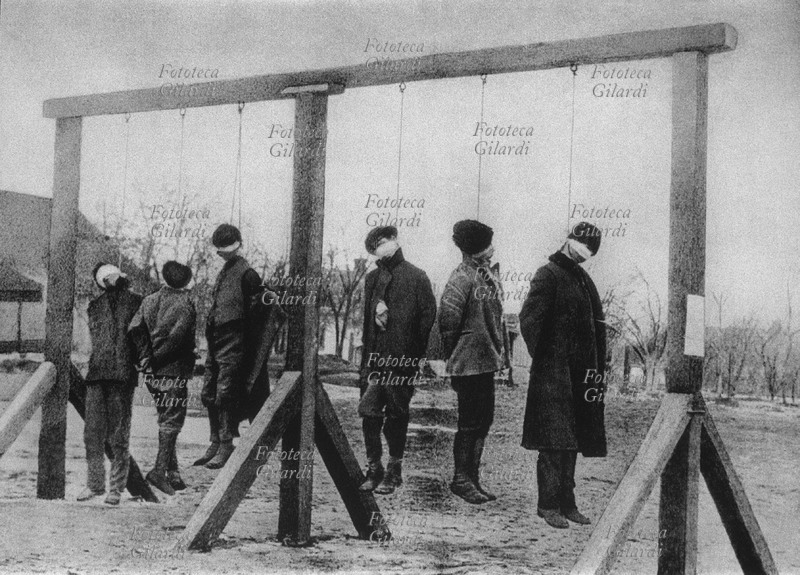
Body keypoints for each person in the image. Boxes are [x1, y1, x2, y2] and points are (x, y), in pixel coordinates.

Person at [519, 221, 607, 529]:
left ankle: (568, 504)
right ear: (569, 241)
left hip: (579, 375)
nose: (584, 257)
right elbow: (529, 321)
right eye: (582, 249)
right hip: (553, 376)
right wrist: (547, 361)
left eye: (589, 254)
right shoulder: (548, 274)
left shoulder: (583, 280)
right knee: (553, 442)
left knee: (572, 442)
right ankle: (548, 505)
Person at [358, 226, 436, 495]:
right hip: (375, 363)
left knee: (396, 416)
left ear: (394, 240)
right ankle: (373, 467)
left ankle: (394, 470)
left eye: (384, 241)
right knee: (368, 412)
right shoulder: (371, 279)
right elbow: (367, 325)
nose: (382, 247)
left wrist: (412, 357)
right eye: (375, 245)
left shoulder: (417, 277)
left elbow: (427, 321)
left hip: (401, 362)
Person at [438, 220, 508, 504]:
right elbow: (447, 322)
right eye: (487, 245)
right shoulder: (461, 278)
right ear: (475, 249)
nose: (492, 250)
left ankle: (473, 478)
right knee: (469, 423)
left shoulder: (484, 274)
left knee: (483, 421)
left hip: (485, 361)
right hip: (468, 364)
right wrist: (456, 357)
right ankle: (460, 480)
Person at [194, 224, 264, 469]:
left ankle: (226, 444)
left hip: (236, 343)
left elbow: (256, 318)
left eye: (224, 248)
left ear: (236, 245)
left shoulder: (249, 275)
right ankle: (214, 442)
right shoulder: (225, 271)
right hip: (216, 340)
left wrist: (245, 350)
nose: (220, 252)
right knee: (209, 392)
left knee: (226, 394)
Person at [128, 260, 196, 495]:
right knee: (172, 422)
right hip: (173, 371)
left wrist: (146, 358)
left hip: (152, 374)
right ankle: (158, 471)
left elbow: (134, 329)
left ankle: (173, 473)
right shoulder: (186, 303)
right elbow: (179, 339)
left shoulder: (149, 300)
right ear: (186, 281)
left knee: (166, 419)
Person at [78, 263, 143, 505]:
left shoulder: (138, 302)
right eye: (106, 277)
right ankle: (94, 486)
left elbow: (142, 338)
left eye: (113, 275)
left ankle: (115, 489)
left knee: (119, 435)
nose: (111, 280)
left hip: (122, 376)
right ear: (102, 282)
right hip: (97, 375)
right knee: (92, 434)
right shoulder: (95, 306)